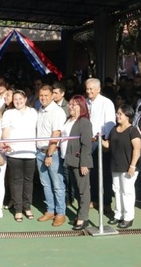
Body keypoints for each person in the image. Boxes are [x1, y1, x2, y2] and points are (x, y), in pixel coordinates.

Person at [102, 104, 141, 229]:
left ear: (127, 116)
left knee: (127, 192)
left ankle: (128, 217)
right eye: (117, 113)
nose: (117, 116)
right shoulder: (114, 129)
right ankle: (118, 214)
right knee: (117, 190)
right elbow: (108, 145)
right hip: (115, 165)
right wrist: (100, 140)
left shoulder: (132, 130)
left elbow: (137, 149)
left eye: (120, 114)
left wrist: (132, 166)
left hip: (128, 166)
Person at [2, 89, 37, 222]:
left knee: (28, 181)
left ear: (25, 99)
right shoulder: (8, 113)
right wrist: (6, 144)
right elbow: (5, 131)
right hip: (14, 153)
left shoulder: (33, 112)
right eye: (15, 99)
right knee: (16, 182)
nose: (18, 101)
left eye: (20, 99)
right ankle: (18, 209)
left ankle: (27, 207)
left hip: (30, 152)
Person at [35, 85, 67, 227]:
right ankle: (50, 210)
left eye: (46, 95)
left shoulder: (57, 112)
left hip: (52, 153)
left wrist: (49, 154)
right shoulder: (40, 110)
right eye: (41, 95)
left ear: (52, 96)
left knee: (57, 184)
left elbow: (56, 134)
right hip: (39, 152)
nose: (43, 98)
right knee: (45, 184)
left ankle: (60, 213)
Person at [60, 95, 93, 231]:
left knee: (83, 191)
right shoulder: (69, 120)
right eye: (70, 104)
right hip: (68, 159)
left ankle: (83, 218)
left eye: (74, 105)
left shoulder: (84, 122)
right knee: (76, 189)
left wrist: (83, 163)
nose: (70, 107)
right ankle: (80, 214)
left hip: (79, 161)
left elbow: (86, 144)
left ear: (81, 107)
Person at [85, 78, 116, 214]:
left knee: (104, 173)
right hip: (88, 140)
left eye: (91, 89)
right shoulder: (85, 103)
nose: (89, 91)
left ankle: (107, 202)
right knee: (92, 173)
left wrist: (106, 140)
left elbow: (110, 123)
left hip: (101, 139)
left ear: (98, 89)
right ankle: (95, 199)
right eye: (87, 88)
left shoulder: (106, 102)